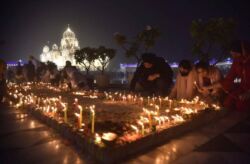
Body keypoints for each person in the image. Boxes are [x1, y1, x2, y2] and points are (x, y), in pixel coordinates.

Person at [203, 40, 250, 111]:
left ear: (243, 53)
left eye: (236, 55)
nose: (234, 57)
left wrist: (248, 93)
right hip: (243, 88)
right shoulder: (237, 62)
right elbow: (228, 80)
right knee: (228, 103)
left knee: (241, 106)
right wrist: (207, 87)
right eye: (232, 55)